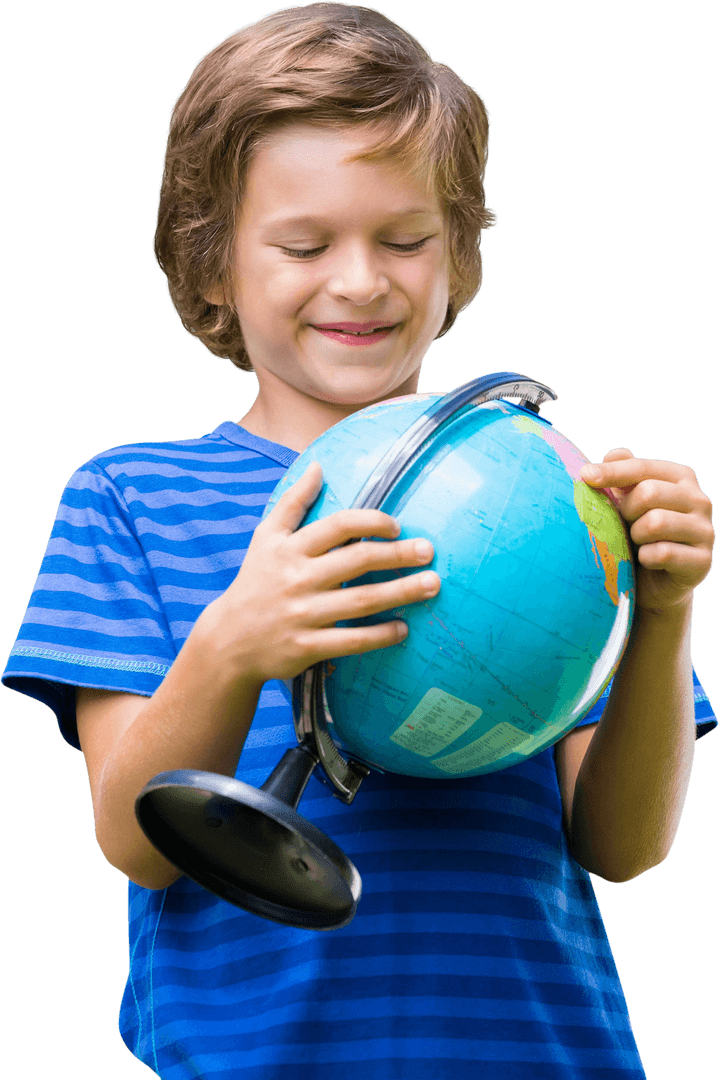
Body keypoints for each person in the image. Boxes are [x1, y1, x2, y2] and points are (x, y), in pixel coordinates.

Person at [2, 4, 715, 1078]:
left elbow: (621, 847)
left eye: (405, 238)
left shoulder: (549, 498)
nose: (360, 281)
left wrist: (658, 612)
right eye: (301, 243)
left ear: (459, 257)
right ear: (209, 264)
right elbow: (135, 845)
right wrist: (232, 643)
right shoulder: (130, 498)